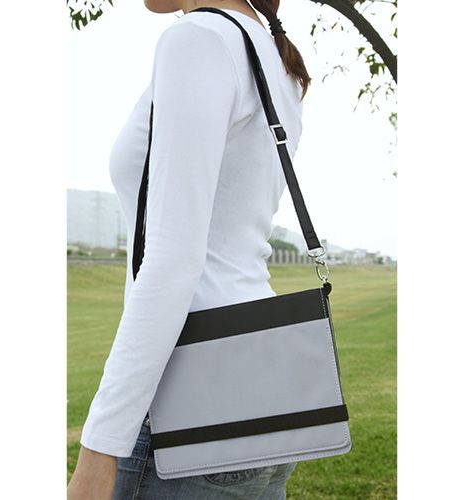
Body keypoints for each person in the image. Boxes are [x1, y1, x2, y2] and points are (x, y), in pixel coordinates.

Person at [67, 0, 312, 498]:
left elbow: (174, 260)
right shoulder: (271, 55)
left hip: (189, 388)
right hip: (269, 384)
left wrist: (99, 449)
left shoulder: (198, 40)